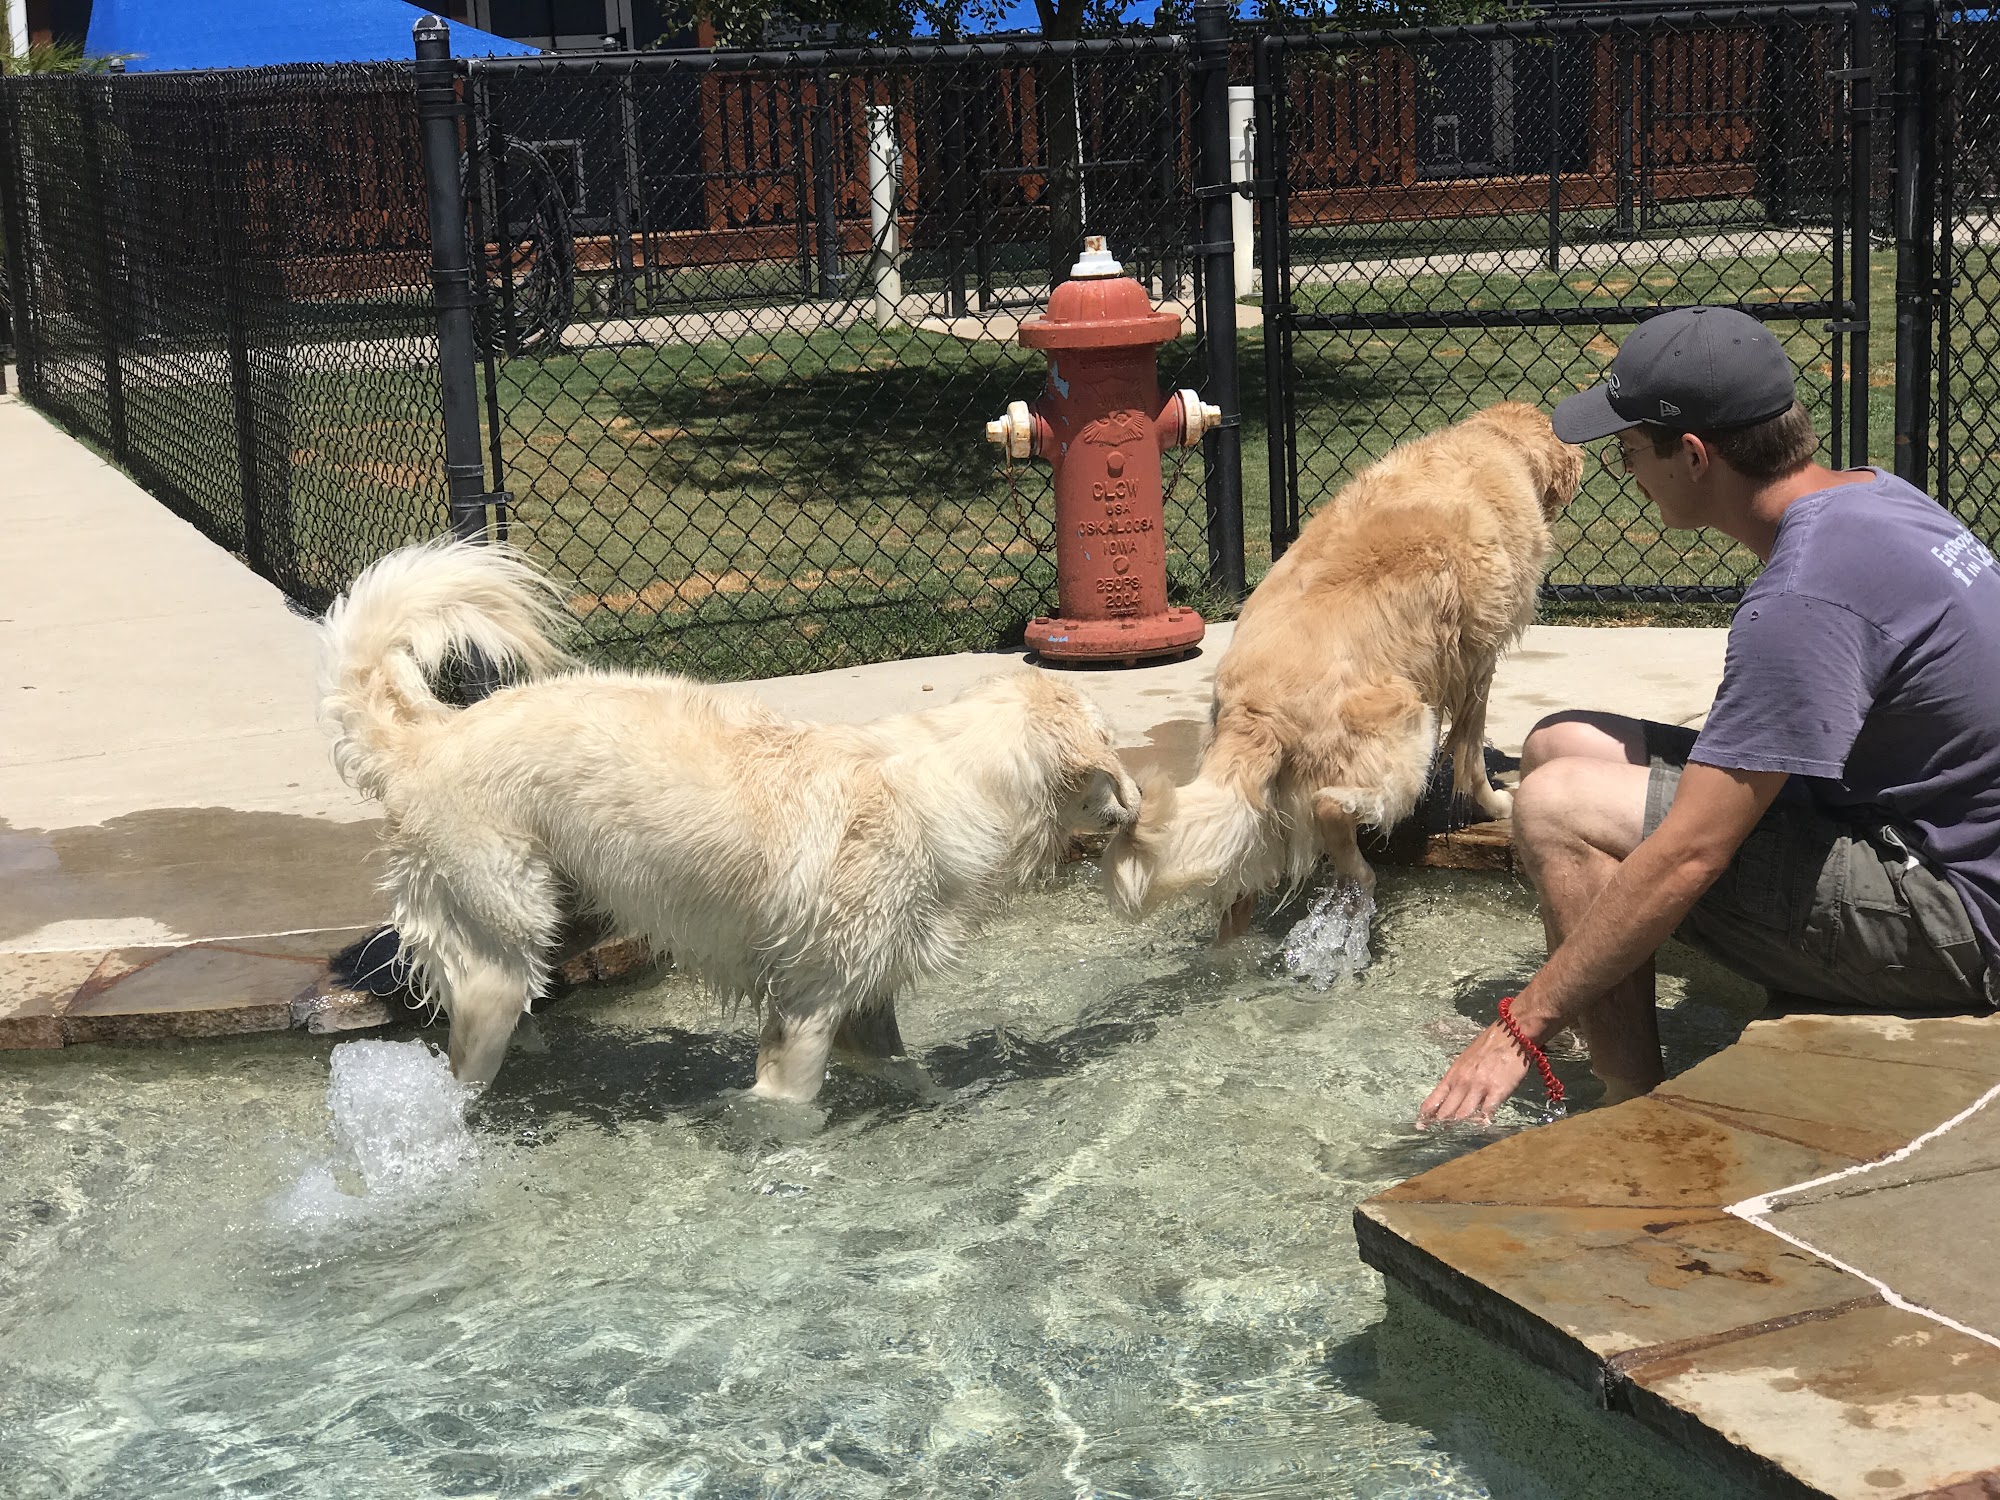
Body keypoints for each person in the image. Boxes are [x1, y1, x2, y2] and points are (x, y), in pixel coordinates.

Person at [1418, 306, 2000, 1128]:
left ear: (1693, 456)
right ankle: (1607, 1022)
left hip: (1960, 917)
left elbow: (1693, 853)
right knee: (1559, 742)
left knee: (1558, 809)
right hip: (1921, 826)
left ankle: (1628, 1110)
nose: (1627, 472)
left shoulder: (1804, 597)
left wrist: (1522, 1023)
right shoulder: (1875, 498)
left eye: (1628, 453)